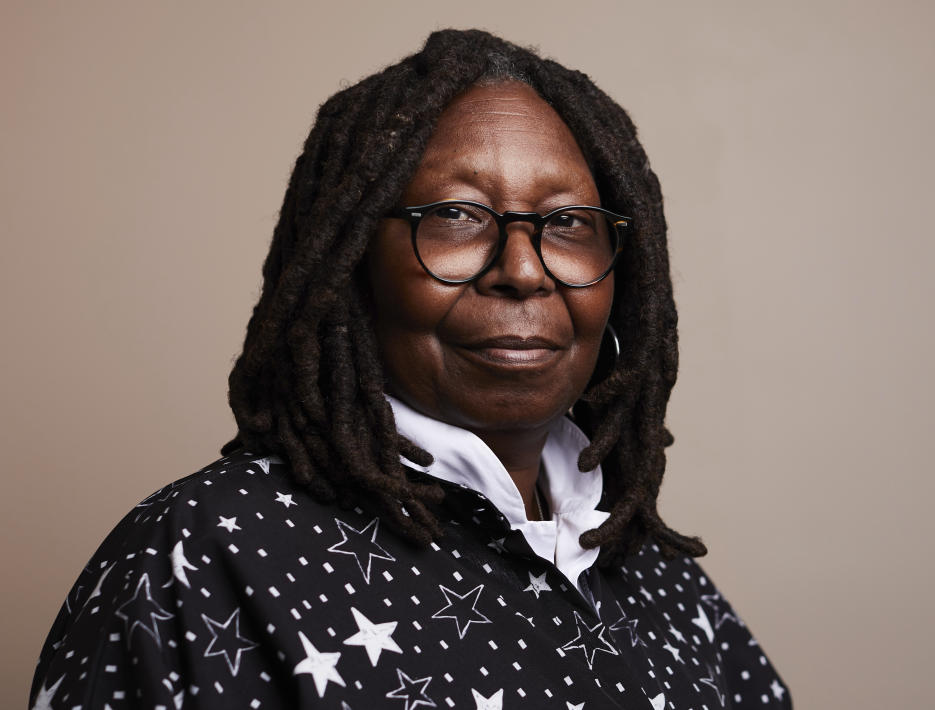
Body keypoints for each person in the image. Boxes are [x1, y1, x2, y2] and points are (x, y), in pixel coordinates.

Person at [30, 29, 791, 709]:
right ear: (349, 263)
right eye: (456, 215)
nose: (523, 271)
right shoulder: (204, 553)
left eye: (566, 223)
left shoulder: (658, 575)